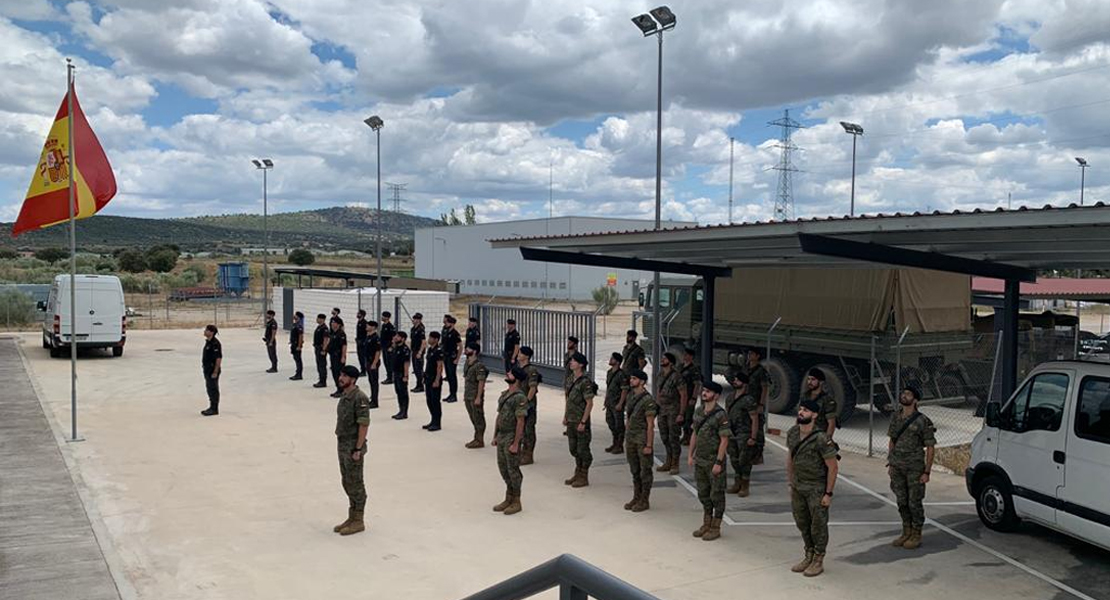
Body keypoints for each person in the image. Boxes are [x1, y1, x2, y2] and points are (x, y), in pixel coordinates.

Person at [786, 398, 839, 578]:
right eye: (800, 409)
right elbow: (790, 459)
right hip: (798, 486)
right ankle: (808, 554)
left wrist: (828, 493)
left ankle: (818, 559)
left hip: (816, 487)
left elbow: (833, 467)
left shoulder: (822, 439)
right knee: (802, 522)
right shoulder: (793, 433)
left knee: (818, 525)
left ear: (815, 415)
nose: (801, 412)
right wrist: (790, 482)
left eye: (806, 410)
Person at [887, 386, 936, 550]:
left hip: (914, 467)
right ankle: (906, 530)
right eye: (903, 393)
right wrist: (891, 462)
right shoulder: (896, 417)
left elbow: (930, 447)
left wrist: (927, 471)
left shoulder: (923, 421)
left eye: (908, 394)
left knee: (914, 501)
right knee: (901, 501)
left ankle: (916, 533)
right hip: (897, 466)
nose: (904, 396)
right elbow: (892, 440)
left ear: (915, 400)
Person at [689, 381, 731, 541]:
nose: (704, 393)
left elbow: (724, 440)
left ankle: (715, 526)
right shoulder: (699, 411)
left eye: (708, 391)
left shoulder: (721, 415)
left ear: (716, 395)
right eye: (704, 390)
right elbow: (695, 433)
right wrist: (691, 455)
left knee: (717, 495)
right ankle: (706, 523)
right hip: (700, 460)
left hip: (714, 461)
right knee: (703, 493)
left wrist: (719, 463)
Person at [332, 365, 370, 536]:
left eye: (345, 376)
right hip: (343, 444)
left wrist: (358, 448)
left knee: (356, 483)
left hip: (353, 446)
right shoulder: (345, 395)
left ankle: (359, 520)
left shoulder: (359, 398)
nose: (341, 378)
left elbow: (363, 424)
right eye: (341, 374)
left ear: (353, 379)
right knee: (347, 480)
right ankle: (351, 516)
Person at [492, 366, 528, 516]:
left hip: (511, 436)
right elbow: (499, 416)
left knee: (513, 470)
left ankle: (516, 500)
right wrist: (495, 435)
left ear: (517, 378)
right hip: (502, 436)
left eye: (511, 373)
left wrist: (515, 443)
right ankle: (509, 496)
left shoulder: (520, 397)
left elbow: (521, 422)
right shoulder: (505, 394)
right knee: (503, 468)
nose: (507, 374)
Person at [726, 371, 764, 498]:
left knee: (744, 460)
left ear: (744, 384)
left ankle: (745, 485)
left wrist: (753, 437)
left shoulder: (749, 400)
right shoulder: (730, 397)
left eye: (738, 380)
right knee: (734, 459)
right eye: (735, 379)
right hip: (732, 432)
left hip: (744, 433)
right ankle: (737, 483)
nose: (735, 381)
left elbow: (755, 419)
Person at [623, 369, 655, 512]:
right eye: (631, 378)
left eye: (634, 378)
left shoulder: (648, 401)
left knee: (645, 471)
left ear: (642, 382)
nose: (631, 381)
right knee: (634, 470)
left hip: (642, 440)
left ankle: (644, 499)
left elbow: (650, 425)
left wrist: (649, 445)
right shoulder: (631, 396)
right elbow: (629, 417)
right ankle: (637, 496)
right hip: (631, 438)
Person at [563, 352, 596, 488]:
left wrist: (583, 422)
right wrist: (565, 415)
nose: (571, 362)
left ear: (581, 365)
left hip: (580, 420)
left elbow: (589, 403)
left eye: (574, 361)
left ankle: (583, 475)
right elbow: (567, 398)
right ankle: (578, 471)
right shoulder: (570, 379)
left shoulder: (585, 382)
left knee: (583, 449)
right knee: (573, 448)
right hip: (571, 419)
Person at [655, 352, 684, 475]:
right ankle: (668, 460)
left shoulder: (677, 376)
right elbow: (659, 391)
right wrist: (657, 405)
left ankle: (675, 463)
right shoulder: (660, 374)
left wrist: (681, 413)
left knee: (673, 437)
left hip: (673, 409)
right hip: (662, 410)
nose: (662, 360)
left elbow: (683, 395)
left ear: (671, 362)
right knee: (664, 436)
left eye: (665, 359)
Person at [517, 346, 541, 465]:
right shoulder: (519, 368)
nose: (518, 354)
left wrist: (526, 401)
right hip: (519, 402)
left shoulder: (531, 370)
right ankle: (522, 451)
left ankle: (528, 454)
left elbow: (533, 387)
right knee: (520, 428)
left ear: (526, 356)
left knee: (528, 430)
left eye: (521, 353)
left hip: (528, 404)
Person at [463, 342, 490, 448]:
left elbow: (481, 382)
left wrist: (478, 397)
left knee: (478, 417)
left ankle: (479, 439)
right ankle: (476, 437)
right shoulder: (467, 362)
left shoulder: (479, 366)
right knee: (472, 416)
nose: (466, 350)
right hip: (468, 395)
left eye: (468, 348)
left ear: (474, 351)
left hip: (475, 395)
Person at [603, 352, 630, 454]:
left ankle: (619, 445)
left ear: (617, 362)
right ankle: (615, 442)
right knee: (610, 421)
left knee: (619, 424)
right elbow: (608, 387)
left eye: (612, 359)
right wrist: (606, 399)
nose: (610, 360)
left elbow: (624, 390)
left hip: (617, 402)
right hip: (610, 402)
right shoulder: (609, 372)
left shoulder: (621, 375)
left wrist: (620, 403)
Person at [803, 368, 839, 440]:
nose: (809, 382)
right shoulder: (805, 397)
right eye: (808, 379)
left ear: (821, 382)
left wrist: (827, 440)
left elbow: (831, 424)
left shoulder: (827, 401)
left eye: (813, 379)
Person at [678, 346, 703, 445]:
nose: (685, 356)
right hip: (681, 396)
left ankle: (688, 436)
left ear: (691, 357)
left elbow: (697, 384)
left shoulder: (694, 369)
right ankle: (684, 435)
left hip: (689, 395)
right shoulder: (680, 366)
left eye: (687, 355)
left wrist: (694, 397)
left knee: (688, 417)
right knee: (682, 415)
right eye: (684, 354)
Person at [422, 330, 445, 431]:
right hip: (428, 378)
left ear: (436, 339)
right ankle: (432, 420)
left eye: (431, 338)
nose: (429, 339)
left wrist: (437, 380)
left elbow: (439, 367)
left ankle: (437, 423)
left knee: (435, 401)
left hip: (434, 379)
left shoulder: (438, 351)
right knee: (429, 400)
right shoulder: (430, 350)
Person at [201, 324, 222, 416]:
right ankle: (211, 406)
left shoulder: (215, 343)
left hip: (212, 370)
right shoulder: (208, 342)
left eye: (206, 330)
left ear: (212, 332)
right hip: (207, 369)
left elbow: (218, 358)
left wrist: (215, 371)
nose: (204, 332)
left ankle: (214, 408)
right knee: (209, 389)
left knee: (213, 389)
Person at [390, 331, 411, 420]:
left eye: (398, 336)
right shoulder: (396, 347)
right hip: (396, 373)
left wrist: (405, 376)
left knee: (403, 393)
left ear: (402, 339)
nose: (395, 337)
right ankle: (400, 410)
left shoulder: (405, 349)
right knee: (398, 392)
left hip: (402, 373)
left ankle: (404, 412)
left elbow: (406, 363)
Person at [442, 314, 462, 403]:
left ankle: (454, 395)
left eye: (448, 322)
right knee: (449, 376)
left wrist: (457, 358)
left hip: (452, 357)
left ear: (453, 324)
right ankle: (450, 394)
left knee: (452, 376)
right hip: (446, 356)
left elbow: (460, 347)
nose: (446, 324)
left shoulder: (455, 333)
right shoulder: (446, 331)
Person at [328, 318, 348, 398]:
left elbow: (344, 346)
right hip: (333, 356)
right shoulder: (333, 333)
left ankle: (342, 390)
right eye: (332, 323)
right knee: (334, 373)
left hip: (338, 356)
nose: (332, 324)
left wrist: (343, 356)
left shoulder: (341, 334)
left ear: (339, 324)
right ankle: (338, 388)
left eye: (334, 323)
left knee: (339, 374)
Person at [364, 320, 382, 409]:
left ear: (373, 327)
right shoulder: (368, 336)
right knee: (371, 381)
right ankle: (372, 398)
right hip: (368, 361)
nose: (366, 327)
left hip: (373, 362)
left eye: (368, 325)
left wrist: (374, 363)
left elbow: (378, 352)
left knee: (374, 382)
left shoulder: (376, 338)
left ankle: (375, 401)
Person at [313, 314, 330, 389]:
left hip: (321, 348)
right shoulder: (319, 327)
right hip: (317, 347)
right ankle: (320, 379)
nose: (317, 319)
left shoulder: (324, 328)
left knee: (322, 364)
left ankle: (323, 381)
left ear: (322, 319)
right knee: (319, 364)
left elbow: (326, 339)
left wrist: (324, 349)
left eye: (318, 318)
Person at [410, 313, 426, 393]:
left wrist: (420, 352)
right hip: (414, 350)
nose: (414, 320)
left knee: (419, 369)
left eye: (415, 319)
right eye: (414, 319)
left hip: (418, 351)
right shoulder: (413, 329)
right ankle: (418, 384)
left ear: (419, 320)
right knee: (415, 369)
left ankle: (421, 385)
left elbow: (423, 342)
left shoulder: (421, 329)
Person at [380, 312, 396, 385]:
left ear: (387, 317)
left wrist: (392, 346)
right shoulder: (383, 325)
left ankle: (391, 377)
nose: (382, 317)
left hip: (388, 347)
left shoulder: (390, 326)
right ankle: (388, 376)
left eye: (383, 316)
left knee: (389, 363)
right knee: (386, 362)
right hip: (384, 347)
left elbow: (394, 338)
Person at [289, 311, 305, 381]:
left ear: (298, 317)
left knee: (298, 360)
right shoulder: (295, 324)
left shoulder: (299, 326)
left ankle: (299, 374)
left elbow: (300, 336)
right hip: (293, 344)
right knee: (296, 359)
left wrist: (299, 346)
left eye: (295, 315)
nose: (293, 316)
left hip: (296, 345)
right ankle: (297, 373)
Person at [355, 309, 369, 376]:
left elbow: (366, 333)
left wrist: (364, 341)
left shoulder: (364, 323)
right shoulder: (359, 322)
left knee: (363, 357)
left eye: (358, 313)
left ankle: (364, 370)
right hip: (359, 341)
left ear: (362, 315)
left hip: (363, 342)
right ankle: (362, 369)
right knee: (360, 356)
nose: (357, 314)